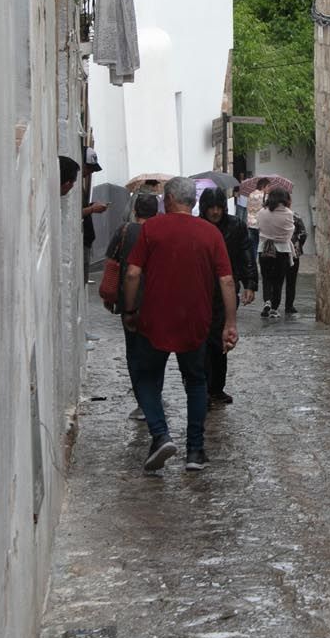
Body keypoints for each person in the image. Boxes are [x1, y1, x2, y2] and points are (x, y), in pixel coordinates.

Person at [110, 177, 238, 474]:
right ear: (193, 202)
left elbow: (132, 274)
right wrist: (230, 323)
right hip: (196, 319)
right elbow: (227, 281)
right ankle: (195, 450)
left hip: (154, 318)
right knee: (195, 381)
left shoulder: (152, 229)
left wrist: (129, 310)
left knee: (146, 377)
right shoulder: (210, 234)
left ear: (167, 200)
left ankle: (160, 434)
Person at [199, 186, 256, 405]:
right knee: (201, 340)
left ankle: (216, 387)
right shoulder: (197, 227)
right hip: (201, 289)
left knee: (221, 339)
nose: (215, 212)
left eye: (218, 207)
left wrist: (250, 283)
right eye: (211, 207)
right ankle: (200, 385)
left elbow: (245, 254)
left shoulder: (235, 226)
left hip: (226, 291)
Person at [105, 193, 158, 422]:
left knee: (134, 352)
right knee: (156, 351)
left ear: (135, 211)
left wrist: (111, 295)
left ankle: (142, 401)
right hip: (157, 301)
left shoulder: (124, 231)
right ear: (157, 212)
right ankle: (154, 395)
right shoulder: (160, 232)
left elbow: (112, 263)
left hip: (131, 301)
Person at [256, 188, 297, 319]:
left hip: (264, 248)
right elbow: (289, 233)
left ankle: (267, 301)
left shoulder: (262, 212)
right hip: (282, 250)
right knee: (278, 281)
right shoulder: (288, 213)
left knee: (266, 278)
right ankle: (274, 308)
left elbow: (259, 227)